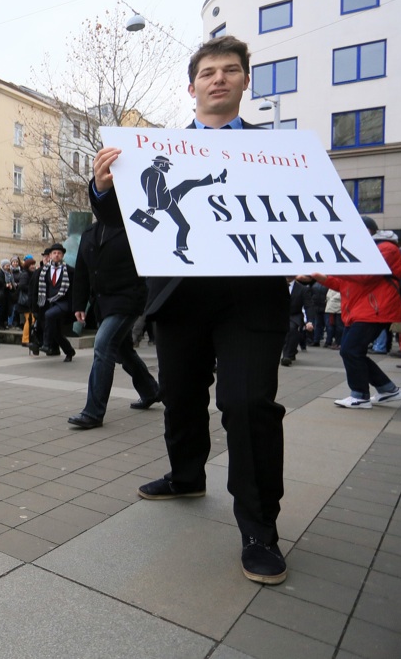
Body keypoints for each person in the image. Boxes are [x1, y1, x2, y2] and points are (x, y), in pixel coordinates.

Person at [92, 35, 289, 585]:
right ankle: (186, 476)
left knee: (247, 405)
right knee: (180, 396)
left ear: (246, 81)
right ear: (193, 85)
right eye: (208, 72)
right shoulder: (157, 150)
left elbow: (303, 215)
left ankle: (259, 528)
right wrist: (103, 187)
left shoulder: (282, 152)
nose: (219, 78)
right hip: (179, 299)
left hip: (251, 300)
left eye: (231, 70)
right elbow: (119, 217)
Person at [66, 215, 160, 430]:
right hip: (102, 303)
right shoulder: (90, 233)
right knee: (122, 350)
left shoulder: (134, 223)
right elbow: (82, 270)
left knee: (103, 345)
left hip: (128, 300)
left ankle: (93, 412)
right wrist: (79, 305)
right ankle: (151, 391)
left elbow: (156, 237)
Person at [313, 223, 401, 409]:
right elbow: (342, 284)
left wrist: (332, 266)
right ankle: (387, 389)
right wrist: (319, 276)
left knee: (350, 350)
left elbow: (365, 275)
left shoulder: (387, 248)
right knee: (351, 351)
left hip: (374, 309)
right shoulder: (364, 250)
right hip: (361, 310)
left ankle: (360, 395)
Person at [36, 243, 74, 361]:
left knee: (49, 315)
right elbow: (37, 288)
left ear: (62, 255)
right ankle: (69, 351)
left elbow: (76, 289)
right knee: (56, 332)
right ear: (50, 255)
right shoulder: (43, 271)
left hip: (64, 303)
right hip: (48, 303)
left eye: (59, 253)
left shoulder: (69, 270)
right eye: (54, 253)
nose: (56, 255)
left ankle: (46, 344)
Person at [280, 277, 313, 367]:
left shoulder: (302, 289)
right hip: (279, 314)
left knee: (292, 329)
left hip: (294, 315)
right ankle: (292, 350)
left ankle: (287, 356)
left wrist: (309, 321)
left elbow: (308, 306)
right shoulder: (277, 286)